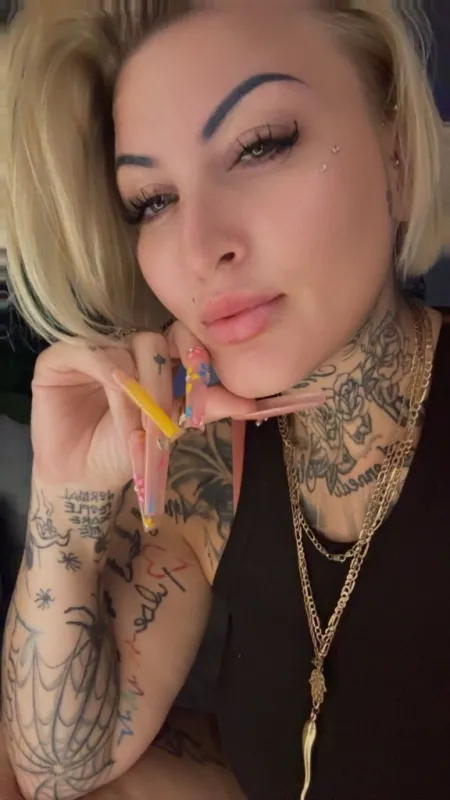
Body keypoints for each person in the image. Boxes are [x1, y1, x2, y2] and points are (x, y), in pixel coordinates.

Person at [2, 1, 448, 798]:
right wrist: (65, 498)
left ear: (400, 158)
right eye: (152, 200)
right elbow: (59, 770)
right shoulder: (207, 461)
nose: (200, 249)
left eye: (261, 144)